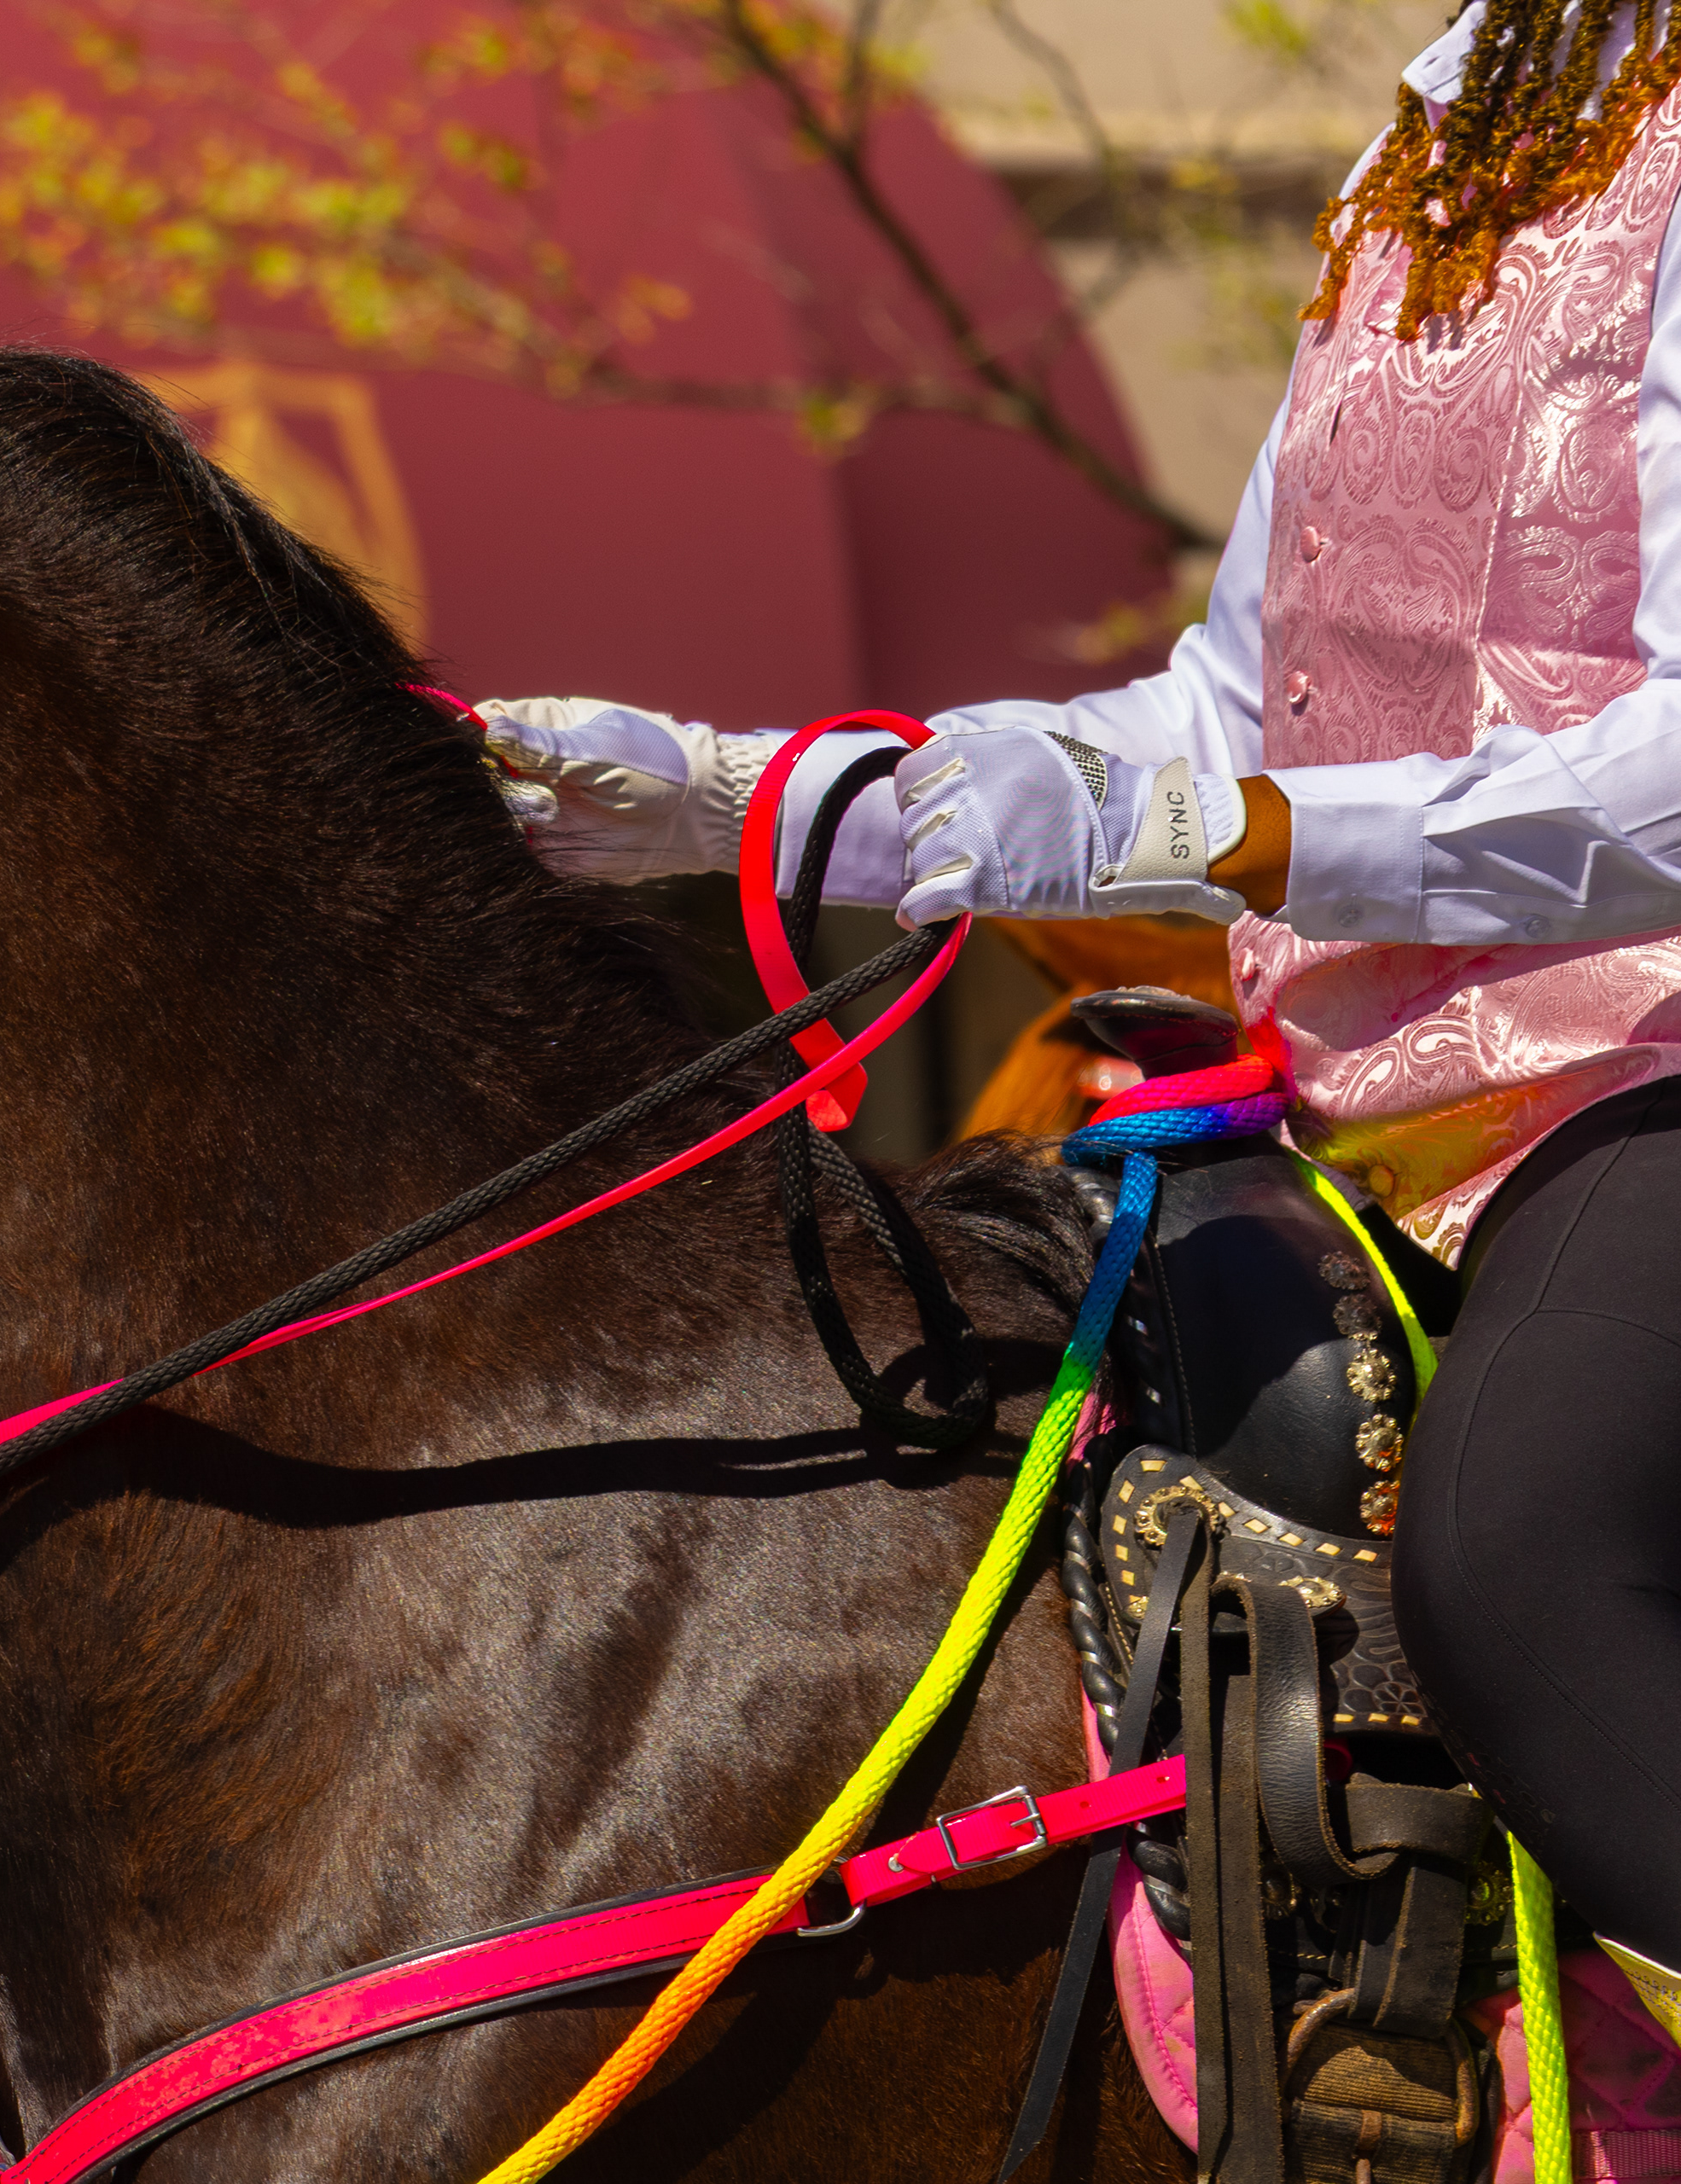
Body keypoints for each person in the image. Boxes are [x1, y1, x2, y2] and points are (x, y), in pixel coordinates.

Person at [481, 0, 1681, 2042]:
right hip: (1339, 1092)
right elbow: (1219, 715)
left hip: (1641, 1071)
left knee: (1522, 1557)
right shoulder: (1448, 127)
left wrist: (1261, 829)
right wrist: (742, 798)